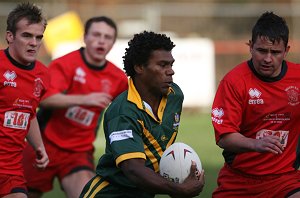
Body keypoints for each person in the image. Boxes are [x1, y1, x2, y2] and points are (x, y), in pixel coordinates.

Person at [80, 31, 205, 198]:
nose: (171, 71)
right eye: (162, 65)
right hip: (111, 192)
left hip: (145, 192)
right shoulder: (123, 111)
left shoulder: (175, 95)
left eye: (171, 64)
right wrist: (179, 189)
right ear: (139, 67)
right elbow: (134, 170)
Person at [22, 16, 128, 198]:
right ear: (85, 37)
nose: (101, 41)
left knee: (85, 194)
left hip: (78, 152)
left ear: (112, 43)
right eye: (96, 35)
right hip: (43, 144)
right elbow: (44, 99)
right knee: (22, 194)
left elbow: (129, 109)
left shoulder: (117, 77)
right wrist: (85, 99)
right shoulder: (64, 64)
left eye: (107, 37)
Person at [211, 11, 300, 197]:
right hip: (239, 181)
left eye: (275, 52)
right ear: (250, 47)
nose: (268, 58)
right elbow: (224, 137)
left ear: (286, 50)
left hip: (285, 179)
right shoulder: (234, 81)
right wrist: (255, 144)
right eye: (261, 50)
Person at [0, 2, 49, 198]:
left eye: (38, 37)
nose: (34, 43)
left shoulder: (42, 75)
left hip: (11, 170)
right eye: (27, 35)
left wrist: (39, 147)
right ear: (10, 36)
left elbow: (29, 114)